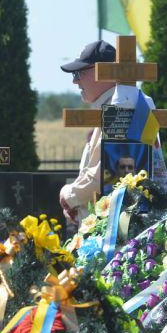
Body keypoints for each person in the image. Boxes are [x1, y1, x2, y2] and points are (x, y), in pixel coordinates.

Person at [58, 40, 117, 224]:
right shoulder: (114, 107)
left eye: (79, 73)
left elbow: (105, 174)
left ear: (103, 72)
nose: (75, 81)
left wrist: (69, 195)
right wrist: (78, 206)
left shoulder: (119, 108)